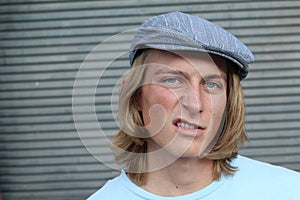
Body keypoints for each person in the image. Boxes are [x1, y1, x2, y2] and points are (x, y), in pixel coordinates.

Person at [88, 12, 300, 200]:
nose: (195, 104)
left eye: (211, 84)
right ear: (135, 96)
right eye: (173, 80)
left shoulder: (288, 191)